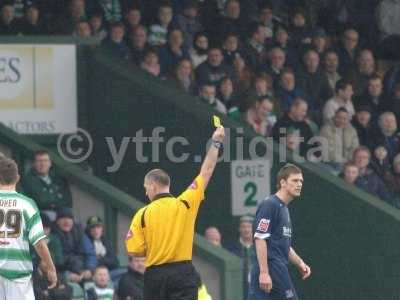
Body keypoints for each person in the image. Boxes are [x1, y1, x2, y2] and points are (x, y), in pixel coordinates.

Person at [125, 125, 225, 300]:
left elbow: (134, 251)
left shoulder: (142, 214)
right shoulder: (185, 203)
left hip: (155, 276)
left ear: (152, 186)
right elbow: (206, 172)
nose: (146, 192)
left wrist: (157, 248)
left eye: (146, 188)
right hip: (182, 273)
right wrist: (216, 143)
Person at [248, 163, 311, 300]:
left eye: (301, 181)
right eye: (295, 180)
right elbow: (260, 238)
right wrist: (264, 272)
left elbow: (283, 246)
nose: (299, 184)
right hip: (271, 269)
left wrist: (300, 263)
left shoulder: (284, 209)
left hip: (275, 270)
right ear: (283, 182)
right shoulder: (270, 205)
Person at [0, 156, 57, 299]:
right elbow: (39, 243)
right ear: (17, 178)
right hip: (18, 274)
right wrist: (51, 268)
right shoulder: (27, 204)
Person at [21, 150, 72, 219]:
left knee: (77, 224)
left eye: (45, 161)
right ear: (34, 164)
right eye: (39, 161)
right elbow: (38, 201)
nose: (42, 164)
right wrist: (53, 204)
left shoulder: (59, 179)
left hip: (62, 212)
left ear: (50, 163)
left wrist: (55, 204)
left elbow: (68, 200)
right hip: (41, 214)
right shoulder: (27, 180)